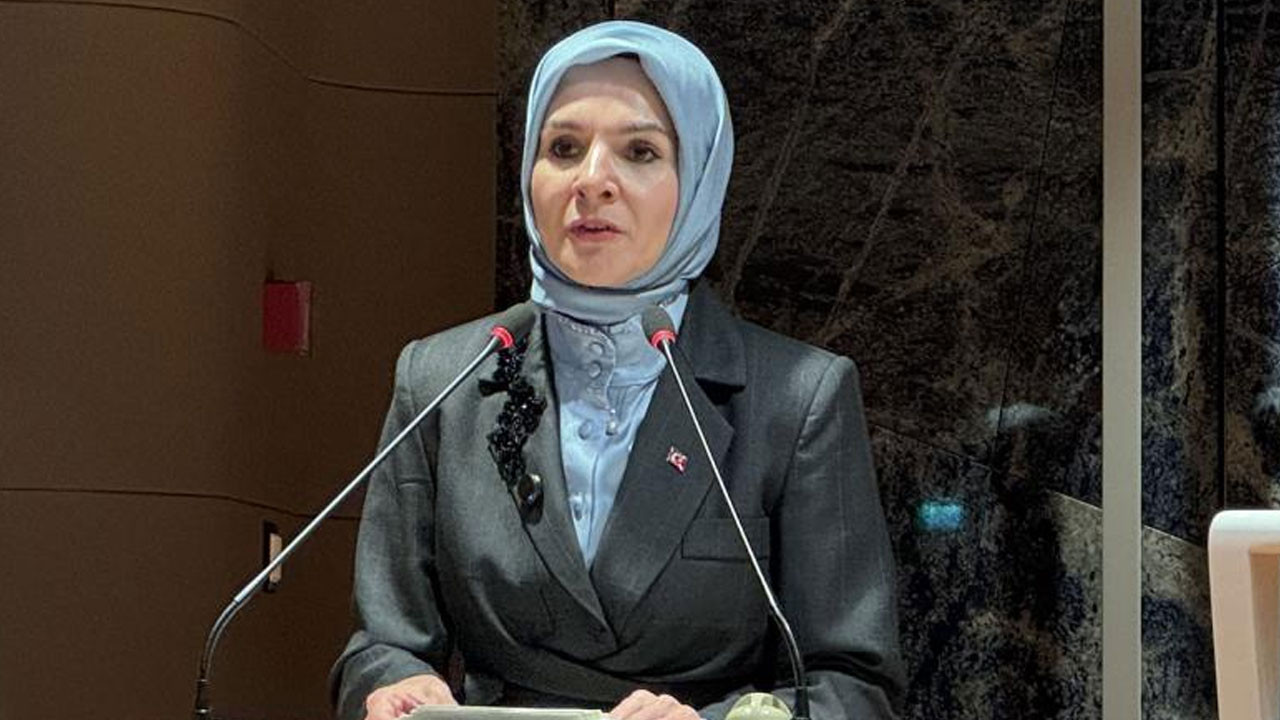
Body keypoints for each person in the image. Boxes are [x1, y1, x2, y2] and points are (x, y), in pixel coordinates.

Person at [331, 20, 905, 720]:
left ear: (698, 178)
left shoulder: (799, 397)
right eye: (563, 148)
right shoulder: (442, 379)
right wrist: (392, 685)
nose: (592, 181)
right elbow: (382, 644)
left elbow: (853, 684)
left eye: (640, 151)